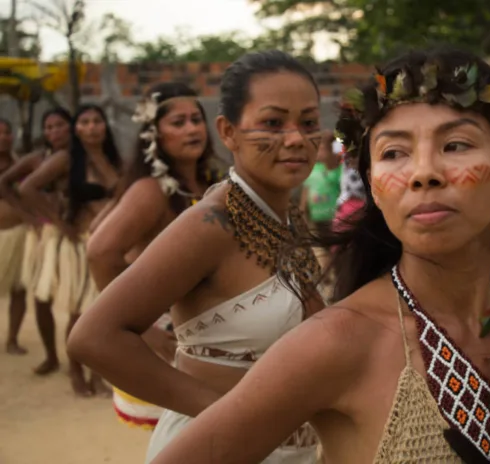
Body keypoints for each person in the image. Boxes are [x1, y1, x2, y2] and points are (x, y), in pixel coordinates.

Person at [150, 47, 490, 464]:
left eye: (455, 144)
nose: (423, 172)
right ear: (373, 186)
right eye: (393, 153)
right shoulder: (337, 343)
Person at [67, 50, 324, 463]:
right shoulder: (211, 223)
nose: (295, 139)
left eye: (309, 123)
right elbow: (92, 338)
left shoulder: (282, 211)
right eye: (273, 123)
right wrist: (233, 416)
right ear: (228, 131)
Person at [86, 82, 219, 430]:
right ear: (154, 134)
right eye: (178, 122)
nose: (192, 128)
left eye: (196, 119)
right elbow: (101, 251)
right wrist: (140, 329)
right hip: (167, 338)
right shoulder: (151, 190)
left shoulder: (211, 181)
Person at [19, 104, 122, 396]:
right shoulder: (66, 158)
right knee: (82, 315)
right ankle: (77, 372)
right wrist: (57, 223)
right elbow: (28, 188)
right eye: (85, 122)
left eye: (97, 121)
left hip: (110, 244)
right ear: (76, 129)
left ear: (105, 125)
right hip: (81, 245)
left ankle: (97, 374)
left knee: (104, 314)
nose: (92, 127)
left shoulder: (115, 160)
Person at [0, 107, 72, 374]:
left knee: (77, 302)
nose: (54, 132)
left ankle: (77, 363)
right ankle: (51, 356)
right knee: (42, 297)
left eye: (59, 125)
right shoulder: (35, 160)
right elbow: (5, 184)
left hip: (73, 235)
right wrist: (30, 217)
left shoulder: (81, 159)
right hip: (45, 235)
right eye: (49, 127)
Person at [0, 118, 28, 354]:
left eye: (7, 132)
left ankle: (12, 339)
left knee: (19, 289)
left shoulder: (21, 164)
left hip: (19, 234)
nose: (3, 137)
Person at [301, 131, 342, 271]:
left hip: (335, 219)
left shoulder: (337, 170)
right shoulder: (313, 170)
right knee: (323, 250)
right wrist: (302, 210)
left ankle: (338, 274)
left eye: (322, 149)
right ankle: (329, 276)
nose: (318, 152)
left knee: (336, 250)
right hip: (318, 219)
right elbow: (306, 191)